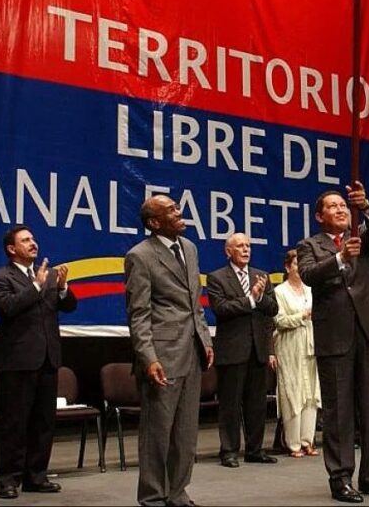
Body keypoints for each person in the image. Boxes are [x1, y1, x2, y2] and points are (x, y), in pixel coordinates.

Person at [296, 182, 369, 503]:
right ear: (319, 216)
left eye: (344, 205)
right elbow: (311, 276)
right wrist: (340, 257)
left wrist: (366, 205)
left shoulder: (361, 237)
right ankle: (340, 478)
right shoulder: (309, 245)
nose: (341, 209)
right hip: (335, 335)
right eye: (333, 206)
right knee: (339, 411)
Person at [124, 195, 213, 507]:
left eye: (178, 207)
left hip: (192, 350)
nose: (180, 212)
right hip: (162, 354)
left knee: (186, 433)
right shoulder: (140, 256)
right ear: (154, 222)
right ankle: (152, 496)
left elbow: (194, 302)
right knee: (157, 433)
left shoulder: (189, 248)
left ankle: (177, 492)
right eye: (172, 210)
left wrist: (205, 338)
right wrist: (148, 358)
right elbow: (139, 314)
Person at [0, 225, 76, 500]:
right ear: (12, 249)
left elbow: (69, 306)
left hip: (49, 358)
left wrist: (61, 289)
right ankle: (8, 479)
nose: (33, 243)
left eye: (33, 239)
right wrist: (36, 285)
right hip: (18, 360)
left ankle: (36, 475)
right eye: (25, 240)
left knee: (43, 422)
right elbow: (9, 307)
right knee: (14, 423)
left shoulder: (48, 276)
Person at [206, 233, 278, 468]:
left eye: (248, 245)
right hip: (232, 349)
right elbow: (221, 308)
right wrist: (250, 299)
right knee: (230, 403)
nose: (246, 250)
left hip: (257, 349)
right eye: (240, 246)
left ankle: (255, 450)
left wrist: (259, 297)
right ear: (229, 251)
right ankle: (228, 450)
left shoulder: (262, 276)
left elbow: (273, 308)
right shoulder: (217, 278)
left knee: (257, 403)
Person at [271, 249, 321, 459]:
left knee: (310, 393)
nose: (299, 268)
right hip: (290, 345)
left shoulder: (311, 290)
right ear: (287, 267)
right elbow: (279, 320)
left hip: (311, 344)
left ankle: (308, 441)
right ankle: (293, 444)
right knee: (292, 392)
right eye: (295, 264)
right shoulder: (280, 292)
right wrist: (302, 315)